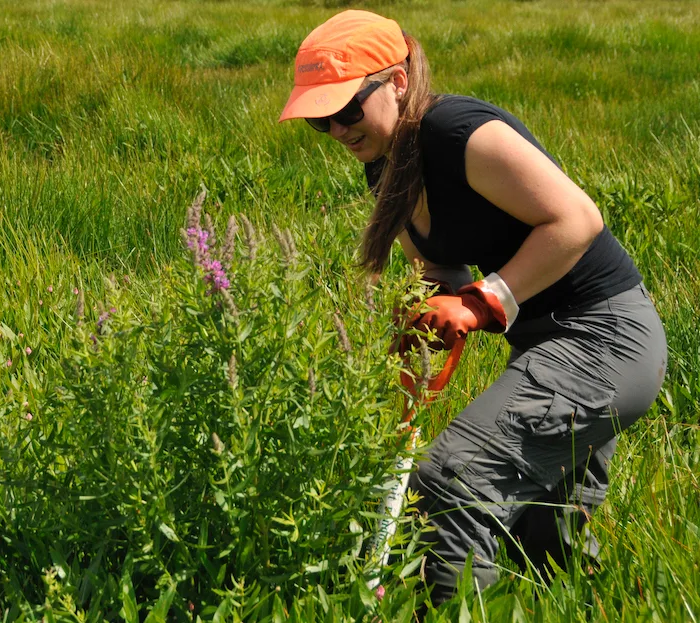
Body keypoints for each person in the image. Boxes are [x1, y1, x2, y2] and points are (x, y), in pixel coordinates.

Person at [279, 9, 668, 606]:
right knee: (542, 552)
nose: (336, 130)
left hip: (605, 340)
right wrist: (422, 321)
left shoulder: (459, 133)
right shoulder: (386, 165)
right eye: (320, 121)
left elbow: (576, 219)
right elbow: (438, 270)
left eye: (348, 108)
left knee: (450, 480)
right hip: (546, 348)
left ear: (399, 82)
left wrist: (488, 300)